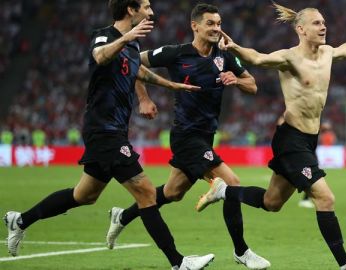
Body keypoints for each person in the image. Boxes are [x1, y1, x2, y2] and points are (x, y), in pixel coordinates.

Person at [3, 1, 214, 269]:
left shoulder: (133, 45)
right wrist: (127, 37)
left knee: (84, 195)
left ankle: (19, 220)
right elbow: (100, 56)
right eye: (146, 7)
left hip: (113, 129)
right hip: (103, 129)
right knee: (147, 193)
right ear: (130, 9)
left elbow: (138, 70)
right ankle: (178, 262)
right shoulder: (105, 35)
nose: (151, 12)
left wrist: (170, 84)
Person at [196, 3, 346, 270]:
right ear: (301, 29)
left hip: (310, 139)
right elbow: (258, 58)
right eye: (317, 23)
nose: (323, 27)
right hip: (292, 140)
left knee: (271, 203)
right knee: (325, 198)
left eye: (324, 22)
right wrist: (235, 47)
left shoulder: (328, 53)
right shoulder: (289, 57)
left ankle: (223, 190)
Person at [105, 3, 270, 270]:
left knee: (172, 193)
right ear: (195, 26)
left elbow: (252, 84)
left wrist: (236, 80)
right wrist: (143, 99)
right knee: (231, 182)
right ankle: (242, 251)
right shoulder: (176, 53)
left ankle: (123, 215)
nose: (217, 28)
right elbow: (132, 62)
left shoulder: (225, 56)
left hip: (206, 136)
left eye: (219, 24)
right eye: (210, 24)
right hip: (185, 135)